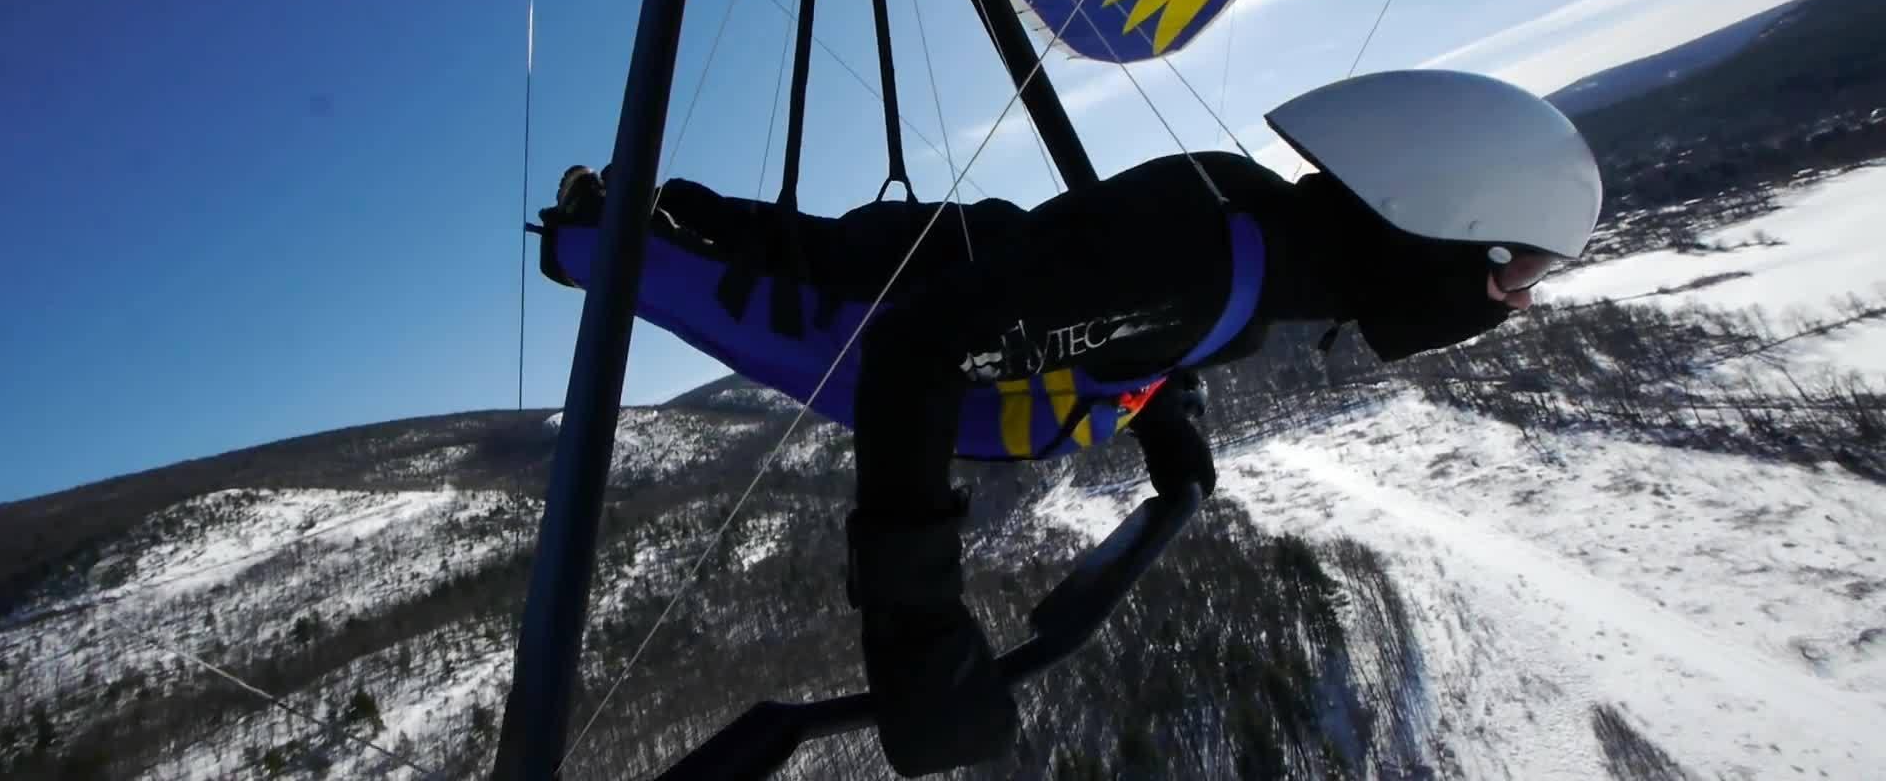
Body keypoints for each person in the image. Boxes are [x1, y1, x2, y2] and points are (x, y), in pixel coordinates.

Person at [535, 69, 1603, 777]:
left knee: (779, 240)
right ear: (1445, 230)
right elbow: (914, 355)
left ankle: (658, 204)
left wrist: (1165, 411)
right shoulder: (1207, 261)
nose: (1517, 303)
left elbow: (1125, 314)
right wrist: (918, 631)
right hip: (879, 326)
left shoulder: (1267, 236)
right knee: (665, 262)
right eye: (1521, 276)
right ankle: (603, 220)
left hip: (959, 275)